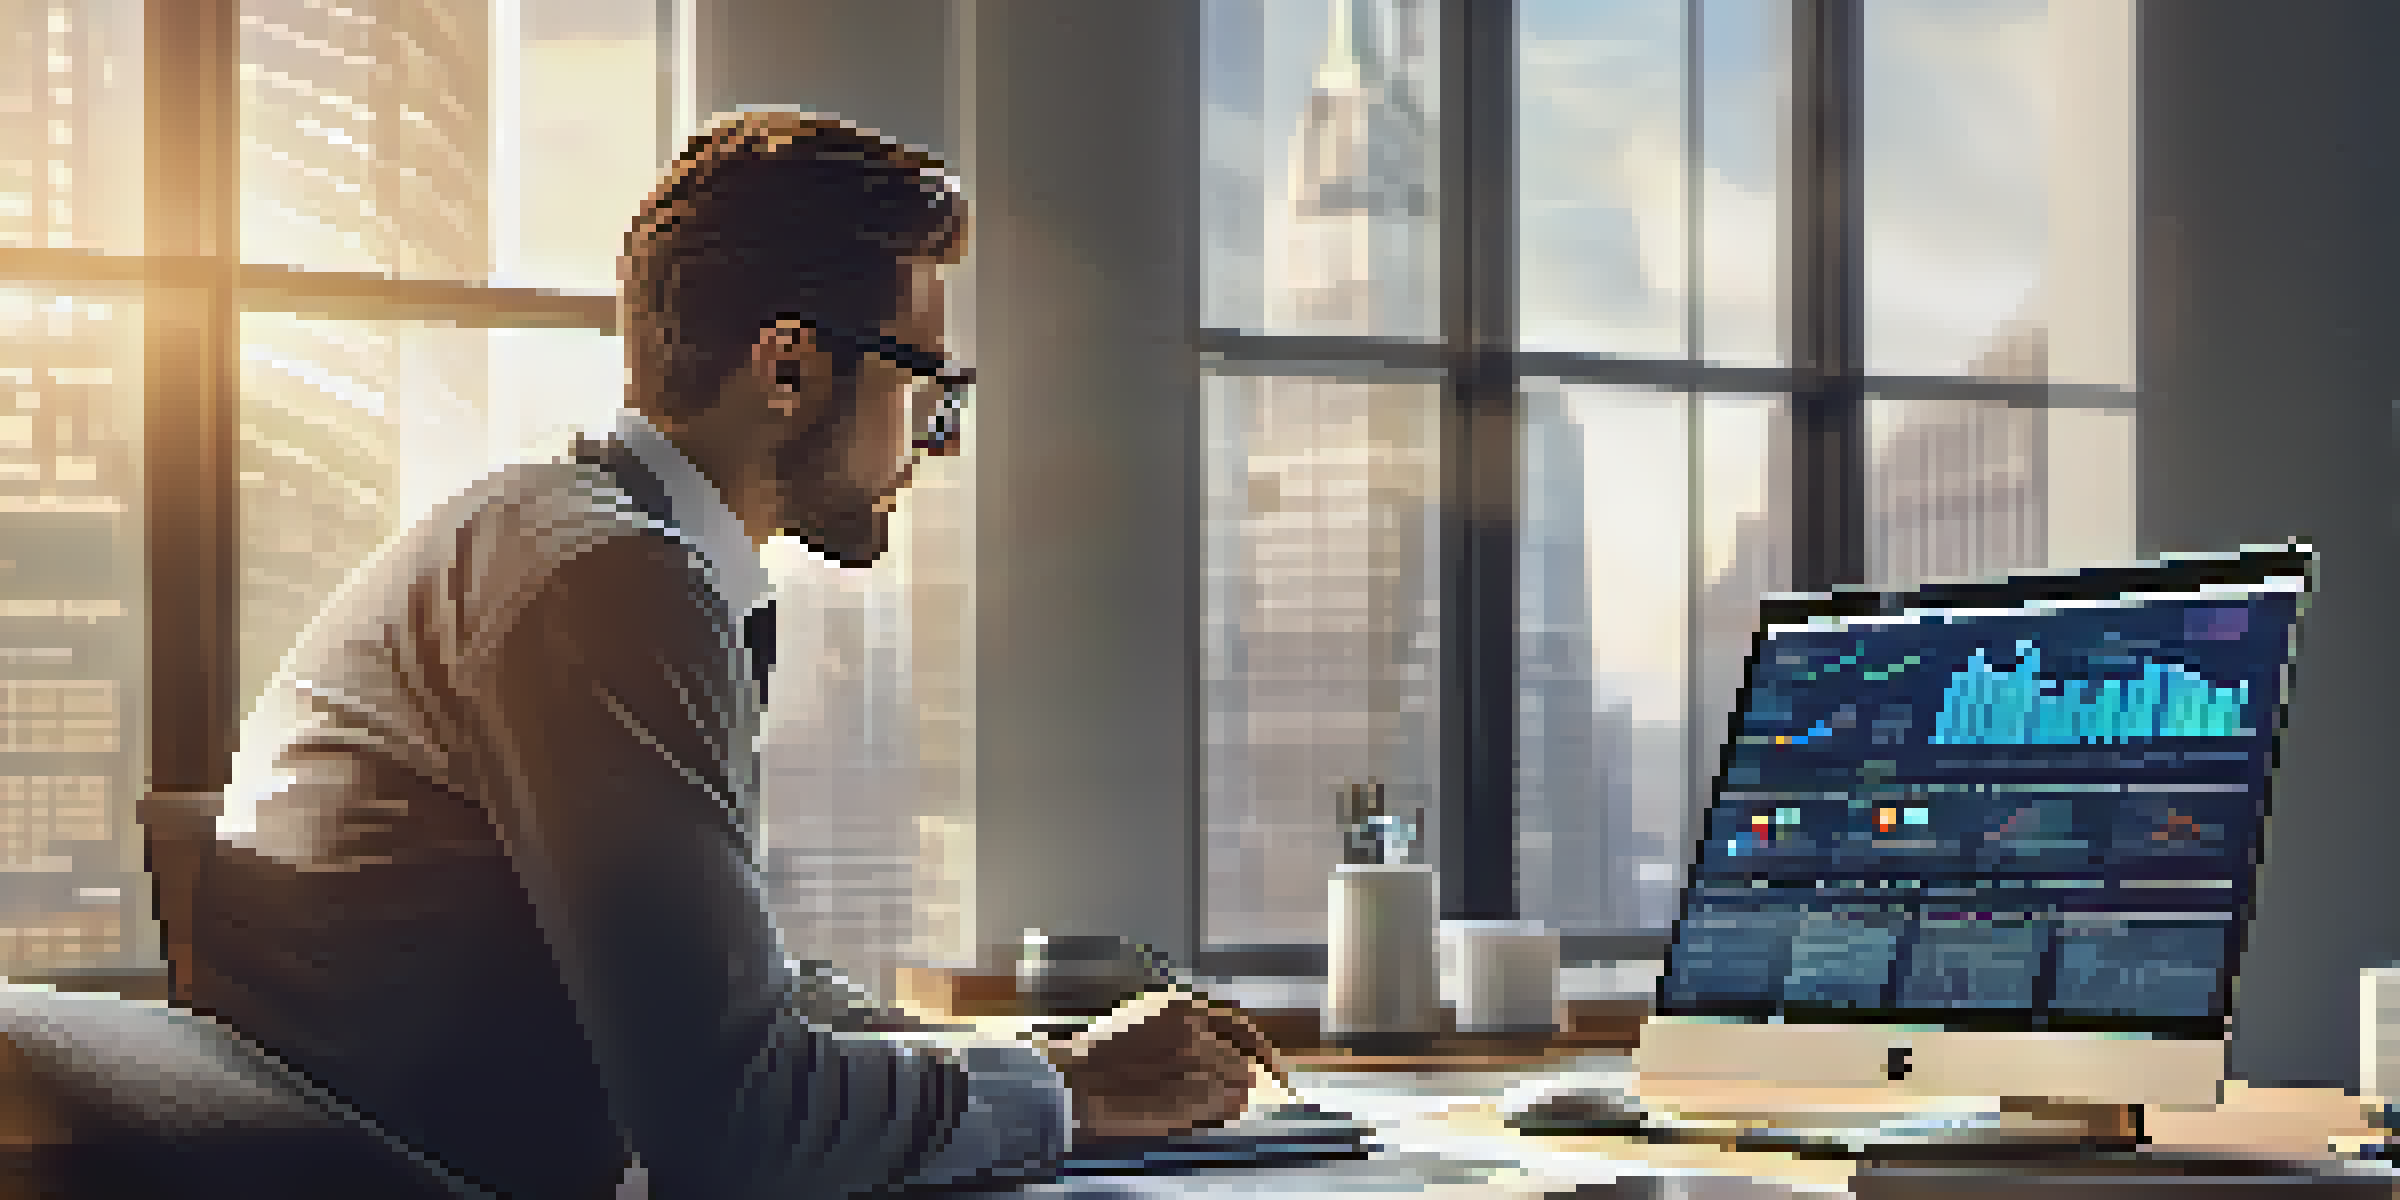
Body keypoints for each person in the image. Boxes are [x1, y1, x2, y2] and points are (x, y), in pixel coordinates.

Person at [184, 112, 1277, 1199]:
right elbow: (738, 1122)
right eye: (925, 389)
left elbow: (726, 1011)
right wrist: (1067, 1091)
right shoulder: (608, 583)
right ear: (787, 368)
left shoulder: (554, 535)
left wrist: (1046, 1062)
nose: (935, 443)